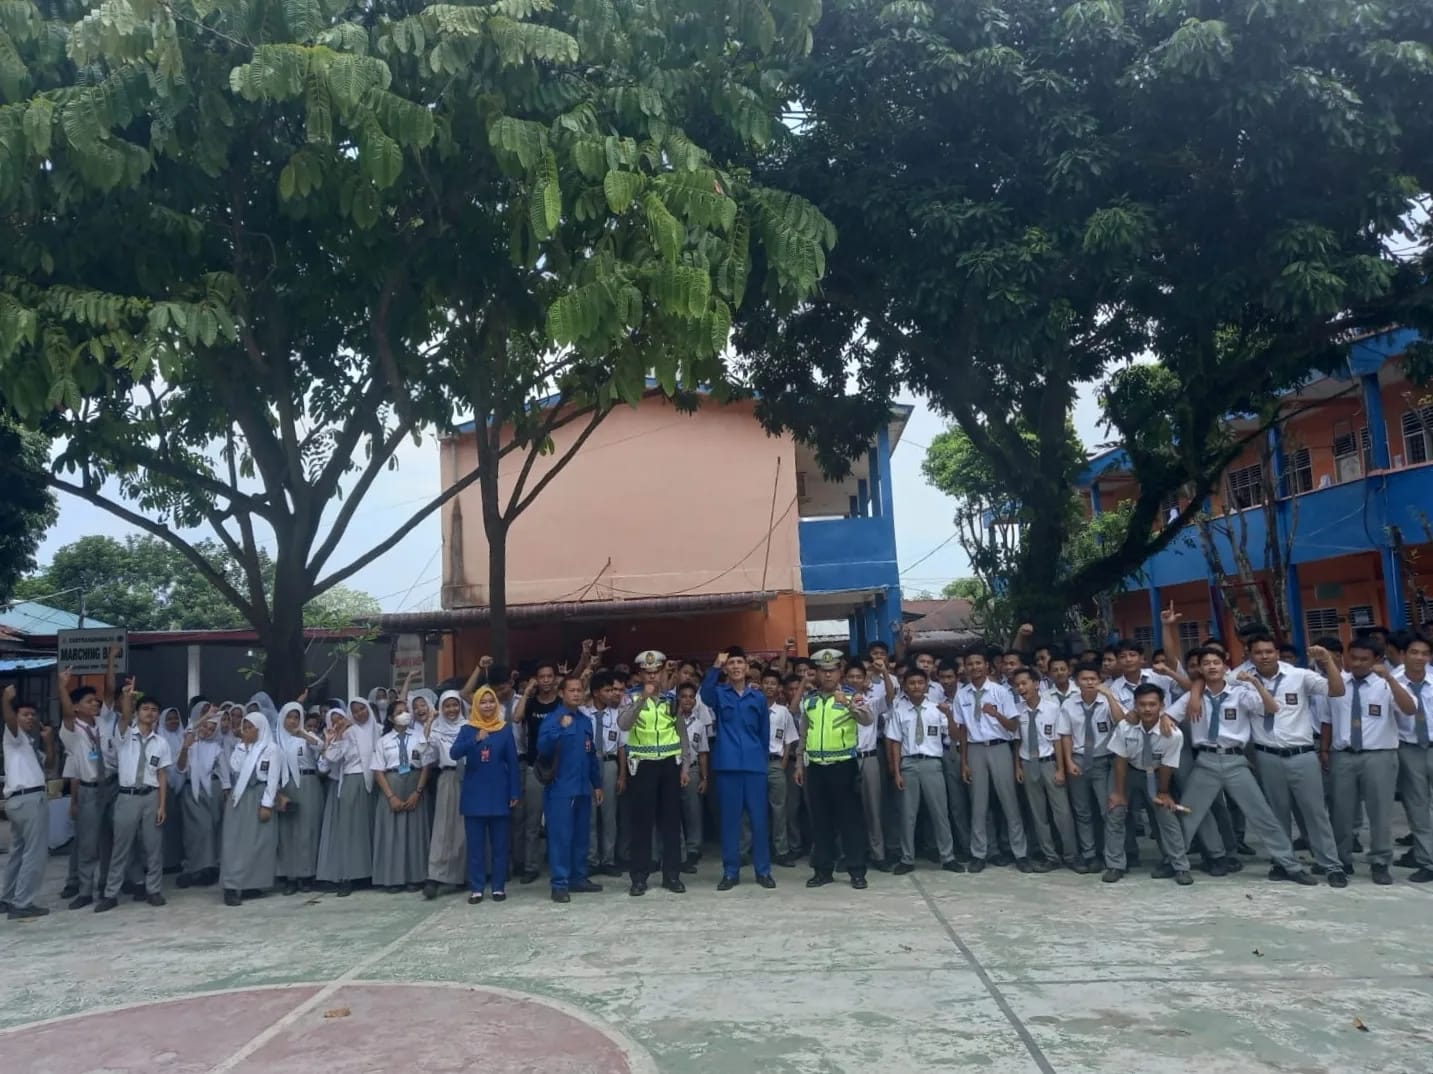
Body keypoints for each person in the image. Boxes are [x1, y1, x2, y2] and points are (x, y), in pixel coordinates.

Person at [1172, 648, 1317, 885]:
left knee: (1262, 815)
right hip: (1206, 761)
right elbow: (1169, 717)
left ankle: (1290, 865)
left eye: (1216, 662)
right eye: (1206, 663)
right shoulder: (1192, 696)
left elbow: (1271, 708)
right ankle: (1175, 862)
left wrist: (1255, 683)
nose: (1211, 666)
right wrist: (1168, 723)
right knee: (1187, 813)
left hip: (1235, 762)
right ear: (1201, 670)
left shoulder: (1240, 693)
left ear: (1225, 667)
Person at [1244, 635, 1348, 888]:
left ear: (1277, 652)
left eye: (1269, 651)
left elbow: (1337, 690)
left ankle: (1331, 864)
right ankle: (1282, 861)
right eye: (1258, 652)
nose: (1264, 656)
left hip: (1302, 755)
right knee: (1276, 814)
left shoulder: (1299, 676)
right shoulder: (1243, 680)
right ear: (1250, 655)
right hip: (1267, 755)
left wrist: (1327, 661)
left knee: (1315, 813)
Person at [1322, 637, 1417, 884]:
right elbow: (1327, 720)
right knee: (1341, 812)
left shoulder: (1387, 684)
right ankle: (1341, 860)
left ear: (1377, 660)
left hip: (1379, 756)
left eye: (1364, 659)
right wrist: (1324, 751)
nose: (1357, 663)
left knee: (1380, 812)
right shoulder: (1336, 683)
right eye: (1353, 658)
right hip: (1343, 755)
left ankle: (1380, 861)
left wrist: (1390, 679)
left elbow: (1409, 709)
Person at [797, 649, 873, 890]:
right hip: (816, 768)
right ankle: (823, 870)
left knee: (850, 821)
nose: (828, 675)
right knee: (820, 821)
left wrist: (848, 704)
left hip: (843, 766)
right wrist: (799, 763)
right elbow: (804, 734)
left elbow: (867, 719)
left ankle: (857, 871)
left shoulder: (852, 695)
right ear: (817, 673)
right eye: (823, 671)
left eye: (832, 671)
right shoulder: (809, 700)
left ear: (840, 672)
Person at [701, 647, 776, 891]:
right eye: (731, 663)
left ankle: (763, 871)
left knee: (759, 821)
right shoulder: (720, 694)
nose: (735, 667)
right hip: (728, 765)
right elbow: (705, 695)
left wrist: (761, 761)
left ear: (747, 667)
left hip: (754, 766)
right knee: (730, 822)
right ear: (727, 668)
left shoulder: (758, 697)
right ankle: (730, 872)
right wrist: (715, 666)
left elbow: (764, 733)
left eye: (739, 662)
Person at [1103, 683, 1192, 885]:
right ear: (1135, 705)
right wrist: (1119, 793)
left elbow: (1168, 766)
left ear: (1162, 705)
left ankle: (1180, 866)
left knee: (1166, 814)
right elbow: (1120, 761)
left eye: (1152, 704)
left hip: (1157, 774)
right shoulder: (1125, 727)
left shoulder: (1173, 734)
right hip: (1128, 772)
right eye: (1142, 704)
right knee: (1116, 812)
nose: (1147, 709)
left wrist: (1163, 792)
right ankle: (1115, 865)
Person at [619, 651, 692, 896]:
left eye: (656, 672)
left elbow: (681, 733)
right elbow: (623, 724)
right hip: (643, 765)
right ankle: (639, 877)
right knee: (641, 823)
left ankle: (672, 875)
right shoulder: (630, 697)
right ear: (640, 675)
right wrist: (643, 699)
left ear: (662, 673)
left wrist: (685, 766)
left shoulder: (671, 699)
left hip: (670, 764)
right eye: (647, 673)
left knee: (671, 822)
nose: (652, 677)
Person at [96, 681, 171, 911]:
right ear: (137, 712)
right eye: (145, 708)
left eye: (154, 710)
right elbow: (124, 718)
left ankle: (153, 890)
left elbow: (162, 775)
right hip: (127, 796)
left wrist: (162, 805)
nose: (150, 713)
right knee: (121, 846)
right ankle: (111, 894)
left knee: (153, 847)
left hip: (151, 796)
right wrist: (128, 697)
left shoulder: (161, 743)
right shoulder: (126, 735)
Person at [956, 650, 1031, 873]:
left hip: (999, 747)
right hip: (975, 749)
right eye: (970, 664)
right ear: (966, 667)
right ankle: (979, 853)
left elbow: (1013, 726)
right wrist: (964, 761)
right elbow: (962, 730)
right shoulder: (962, 694)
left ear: (987, 665)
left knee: (1009, 801)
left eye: (978, 663)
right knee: (978, 804)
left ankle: (1020, 853)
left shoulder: (1000, 691)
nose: (975, 667)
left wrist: (995, 714)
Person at [883, 667, 962, 874]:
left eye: (920, 682)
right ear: (905, 686)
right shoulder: (900, 711)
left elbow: (955, 735)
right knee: (908, 814)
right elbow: (895, 742)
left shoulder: (937, 709)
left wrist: (949, 715)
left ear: (927, 685)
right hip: (909, 764)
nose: (916, 686)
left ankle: (948, 856)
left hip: (932, 764)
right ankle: (907, 858)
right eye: (912, 683)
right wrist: (897, 771)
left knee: (940, 812)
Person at [449, 685, 521, 904]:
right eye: (483, 702)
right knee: (476, 846)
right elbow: (454, 753)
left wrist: (514, 791)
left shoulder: (504, 729)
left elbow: (513, 762)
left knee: (500, 846)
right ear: (476, 705)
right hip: (474, 795)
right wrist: (475, 740)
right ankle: (477, 888)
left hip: (499, 793)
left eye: (491, 702)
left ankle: (498, 887)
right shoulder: (467, 729)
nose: (487, 706)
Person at [537, 675, 605, 903]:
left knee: (581, 836)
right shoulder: (553, 719)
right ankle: (559, 884)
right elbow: (542, 749)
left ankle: (578, 878)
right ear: (561, 693)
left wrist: (597, 784)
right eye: (572, 690)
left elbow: (591, 754)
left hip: (582, 787)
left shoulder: (585, 721)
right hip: (560, 788)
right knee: (560, 837)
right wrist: (559, 728)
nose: (576, 694)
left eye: (579, 690)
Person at [1057, 662, 1125, 870]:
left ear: (1100, 681)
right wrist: (1068, 761)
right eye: (1084, 679)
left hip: (1103, 762)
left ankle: (1110, 855)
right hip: (1078, 761)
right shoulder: (1069, 705)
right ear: (1077, 682)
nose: (1089, 683)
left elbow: (1121, 722)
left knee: (1108, 811)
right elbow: (1065, 735)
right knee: (1083, 812)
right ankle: (1089, 854)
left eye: (1093, 679)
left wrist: (1109, 696)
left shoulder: (1107, 701)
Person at [1010, 668, 1075, 872]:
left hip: (1049, 763)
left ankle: (1071, 855)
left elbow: (1058, 740)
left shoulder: (1052, 708)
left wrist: (1061, 769)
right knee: (1038, 814)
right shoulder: (1017, 711)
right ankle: (1050, 856)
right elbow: (1017, 741)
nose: (1021, 688)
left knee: (1062, 813)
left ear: (1036, 684)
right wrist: (1017, 767)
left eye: (1024, 683)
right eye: (1017, 685)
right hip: (1028, 764)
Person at [316, 699, 380, 897]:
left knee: (368, 829)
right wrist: (337, 736)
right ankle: (348, 876)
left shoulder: (377, 729)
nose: (360, 714)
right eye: (355, 712)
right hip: (352, 782)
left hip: (373, 782)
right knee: (350, 831)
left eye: (362, 709)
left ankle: (369, 874)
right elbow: (331, 758)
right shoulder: (345, 734)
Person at [220, 712, 282, 906]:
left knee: (258, 842)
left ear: (260, 729)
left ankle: (251, 884)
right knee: (235, 842)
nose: (246, 731)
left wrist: (267, 804)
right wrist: (244, 747)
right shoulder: (241, 747)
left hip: (259, 796)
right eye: (244, 728)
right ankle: (231, 886)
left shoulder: (272, 749)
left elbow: (272, 779)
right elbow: (235, 767)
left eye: (250, 728)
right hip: (240, 796)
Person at [2, 685, 53, 918]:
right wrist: (6, 700)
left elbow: (50, 765)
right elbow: (9, 720)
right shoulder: (13, 736)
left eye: (33, 714)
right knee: (35, 853)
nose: (30, 718)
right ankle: (22, 903)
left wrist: (48, 741)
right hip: (29, 799)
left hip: (20, 801)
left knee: (18, 852)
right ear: (16, 716)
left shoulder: (29, 744)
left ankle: (7, 898)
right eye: (25, 714)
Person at [372, 700, 432, 893]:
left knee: (415, 832)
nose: (404, 714)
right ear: (391, 718)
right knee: (392, 833)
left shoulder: (419, 736)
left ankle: (416, 877)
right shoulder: (383, 741)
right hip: (392, 783)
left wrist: (418, 792)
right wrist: (391, 797)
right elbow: (378, 771)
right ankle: (393, 879)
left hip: (415, 782)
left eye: (406, 711)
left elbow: (427, 765)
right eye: (399, 712)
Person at [516, 661, 564, 884]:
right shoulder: (531, 704)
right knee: (532, 821)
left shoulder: (562, 704)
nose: (545, 680)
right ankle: (531, 866)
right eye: (541, 677)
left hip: (559, 768)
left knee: (557, 820)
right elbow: (516, 718)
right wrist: (527, 691)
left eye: (549, 676)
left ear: (555, 679)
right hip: (534, 767)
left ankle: (557, 865)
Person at [422, 689, 469, 899]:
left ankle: (461, 875)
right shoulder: (437, 729)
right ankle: (436, 876)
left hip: (469, 778)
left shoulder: (468, 726)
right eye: (447, 706)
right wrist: (429, 726)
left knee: (464, 828)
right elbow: (427, 757)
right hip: (447, 778)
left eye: (455, 705)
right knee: (443, 828)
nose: (451, 710)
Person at [274, 701, 325, 895]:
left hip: (308, 784)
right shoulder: (276, 741)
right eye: (289, 717)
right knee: (287, 833)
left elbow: (321, 746)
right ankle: (290, 877)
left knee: (307, 831)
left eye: (296, 717)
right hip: (285, 786)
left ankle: (307, 875)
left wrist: (303, 734)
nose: (293, 721)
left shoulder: (306, 738)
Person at [175, 706, 228, 890]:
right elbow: (180, 768)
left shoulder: (216, 748)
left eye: (212, 729)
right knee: (196, 832)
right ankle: (193, 868)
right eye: (205, 726)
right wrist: (205, 717)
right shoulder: (190, 743)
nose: (207, 731)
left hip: (212, 793)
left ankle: (209, 868)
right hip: (192, 792)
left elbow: (225, 775)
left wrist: (226, 793)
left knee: (210, 831)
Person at [1395, 635, 1433, 883]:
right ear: (1403, 655)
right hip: (1409, 750)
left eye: (1425, 653)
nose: (1420, 657)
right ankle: (1428, 861)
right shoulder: (1391, 682)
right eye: (1414, 652)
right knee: (1417, 808)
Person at [584, 671, 624, 879]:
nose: (612, 694)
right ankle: (591, 859)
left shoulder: (617, 715)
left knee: (609, 815)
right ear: (596, 693)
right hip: (589, 764)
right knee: (589, 815)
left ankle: (608, 859)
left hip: (609, 763)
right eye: (607, 690)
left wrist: (622, 775)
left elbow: (622, 747)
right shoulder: (583, 713)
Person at [761, 667, 800, 868]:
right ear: (760, 685)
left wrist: (784, 762)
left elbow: (789, 739)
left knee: (779, 809)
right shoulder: (753, 708)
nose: (769, 686)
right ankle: (755, 848)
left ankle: (781, 850)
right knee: (755, 808)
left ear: (779, 688)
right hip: (755, 764)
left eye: (773, 683)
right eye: (766, 683)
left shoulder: (784, 712)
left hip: (776, 763)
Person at [675, 681, 709, 871]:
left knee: (693, 812)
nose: (687, 700)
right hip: (674, 768)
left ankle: (693, 849)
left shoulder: (699, 724)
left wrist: (705, 778)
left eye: (691, 697)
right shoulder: (670, 720)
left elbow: (703, 753)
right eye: (683, 696)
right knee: (674, 812)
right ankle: (678, 852)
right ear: (678, 699)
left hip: (693, 769)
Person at [157, 706, 187, 875]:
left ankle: (174, 861)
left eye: (176, 718)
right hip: (163, 788)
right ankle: (162, 863)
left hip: (181, 789)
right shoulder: (159, 739)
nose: (173, 721)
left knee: (176, 828)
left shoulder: (182, 736)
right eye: (169, 719)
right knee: (162, 829)